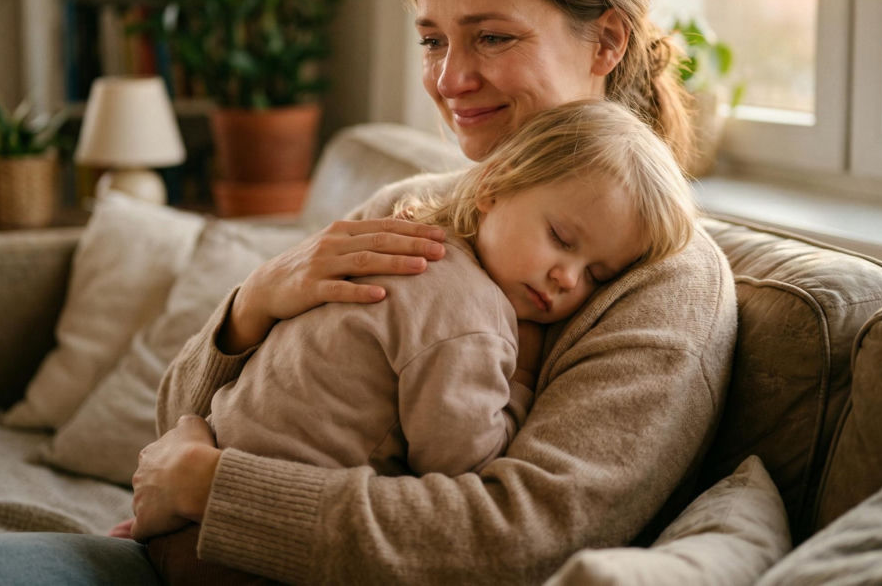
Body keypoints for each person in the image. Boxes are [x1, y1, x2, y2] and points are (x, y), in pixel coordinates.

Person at [0, 0, 737, 586]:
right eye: (432, 40)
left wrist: (217, 490)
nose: (450, 79)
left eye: (491, 36)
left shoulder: (667, 281)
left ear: (605, 39)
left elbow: (517, 539)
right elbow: (174, 430)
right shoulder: (419, 206)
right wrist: (255, 303)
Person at [143, 99, 696, 585]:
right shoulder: (471, 320)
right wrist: (522, 379)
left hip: (192, 526)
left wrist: (198, 484)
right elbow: (462, 463)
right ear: (492, 186)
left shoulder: (410, 239)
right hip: (249, 558)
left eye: (598, 275)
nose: (568, 278)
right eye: (561, 239)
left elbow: (500, 534)